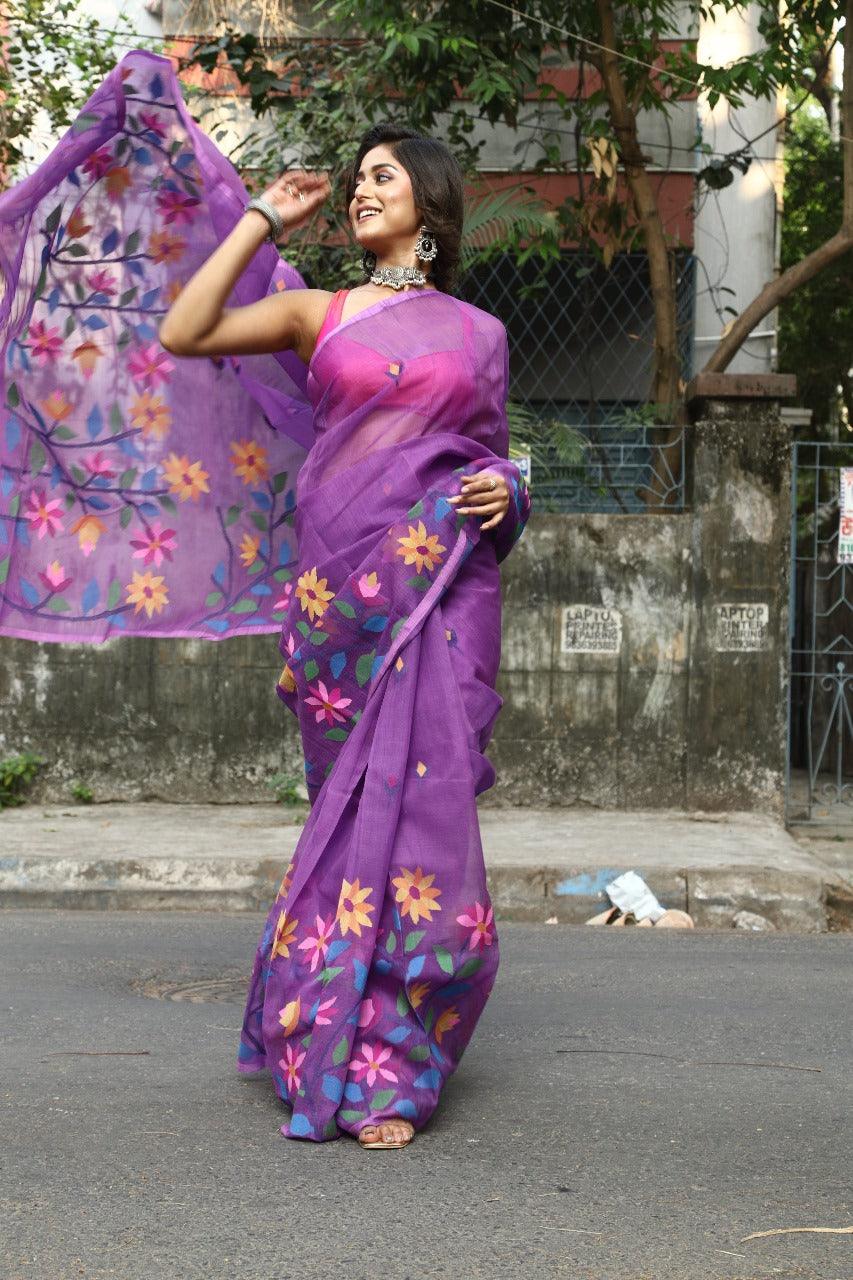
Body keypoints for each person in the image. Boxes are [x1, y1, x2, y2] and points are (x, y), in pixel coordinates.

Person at [0, 50, 530, 1150]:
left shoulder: (480, 335)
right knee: (344, 816)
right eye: (356, 177)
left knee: (425, 825)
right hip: (338, 593)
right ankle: (318, 1024)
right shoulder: (315, 310)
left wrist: (509, 489)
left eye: (383, 175)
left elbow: (492, 462)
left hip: (437, 596)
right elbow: (186, 333)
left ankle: (390, 1064)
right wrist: (259, 221)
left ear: (429, 204)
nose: (361, 188)